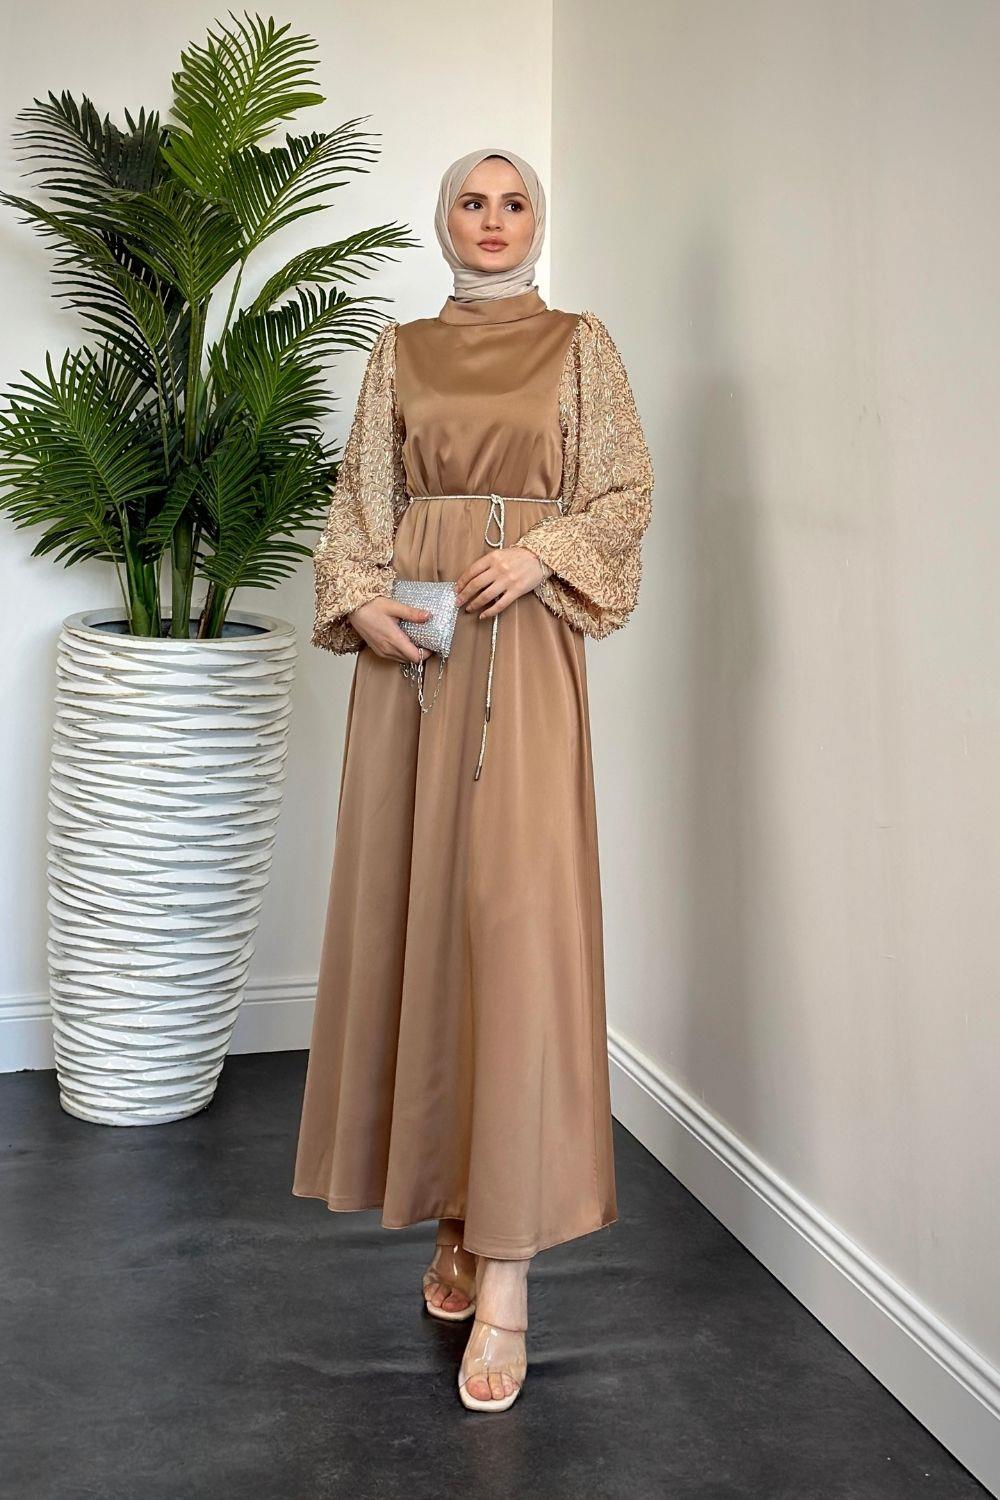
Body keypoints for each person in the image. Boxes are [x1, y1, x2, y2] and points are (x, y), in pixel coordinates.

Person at [292, 146, 654, 1413]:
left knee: (513, 930)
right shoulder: (396, 352)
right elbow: (356, 509)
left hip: (527, 659)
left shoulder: (578, 343)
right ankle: (456, 1211)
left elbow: (623, 493)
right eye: (471, 201)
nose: (492, 221)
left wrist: (541, 554)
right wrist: (361, 605)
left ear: (538, 222)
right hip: (414, 666)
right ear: (441, 219)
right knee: (429, 926)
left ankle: (507, 1281)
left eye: (513, 203)